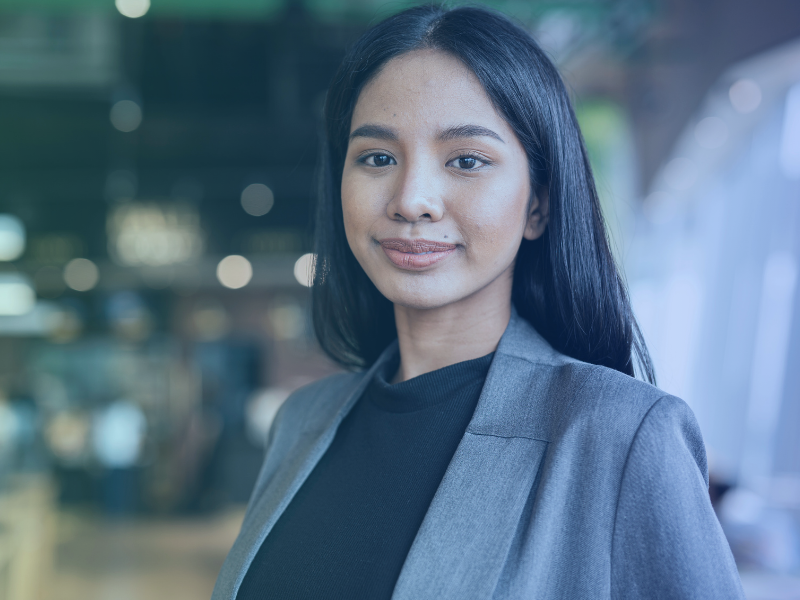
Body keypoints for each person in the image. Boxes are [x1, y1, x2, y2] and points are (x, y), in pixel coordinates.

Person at [213, 5, 744, 599]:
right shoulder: (302, 421)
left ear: (538, 204)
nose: (412, 200)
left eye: (466, 160)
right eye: (378, 158)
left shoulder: (622, 435)